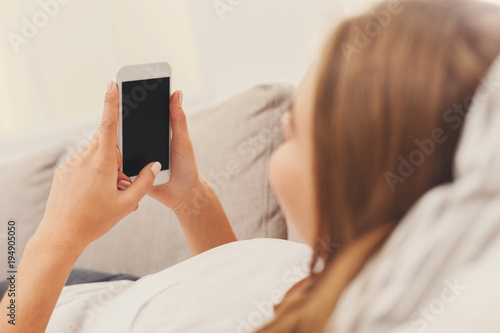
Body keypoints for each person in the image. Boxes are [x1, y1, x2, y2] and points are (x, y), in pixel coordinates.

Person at [2, 0, 500, 332]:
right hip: (84, 292)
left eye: (298, 131)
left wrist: (58, 234)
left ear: (357, 179)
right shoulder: (334, 278)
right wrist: (193, 199)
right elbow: (235, 295)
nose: (282, 129)